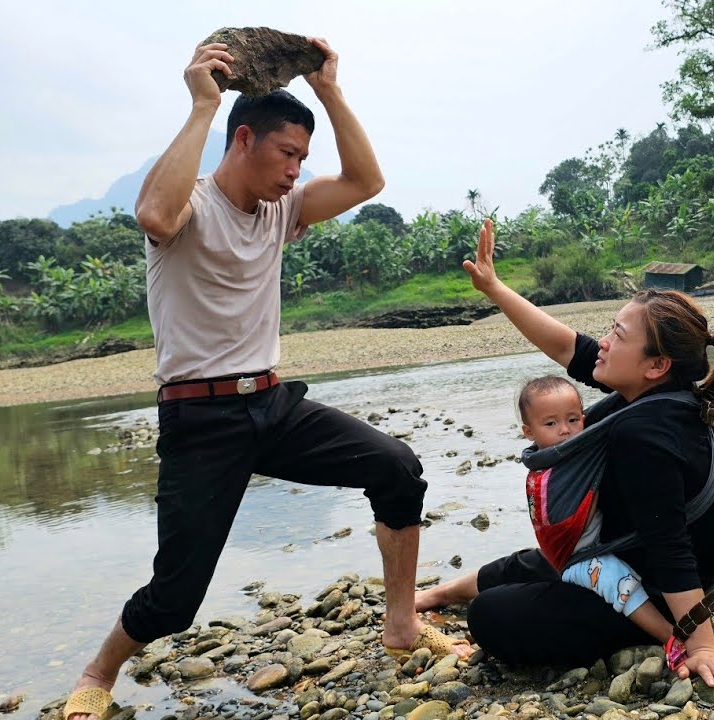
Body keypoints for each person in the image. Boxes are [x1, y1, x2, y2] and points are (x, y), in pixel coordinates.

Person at [62, 37, 466, 720]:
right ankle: (98, 671)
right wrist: (202, 106)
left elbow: (367, 183)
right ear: (243, 139)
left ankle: (401, 625)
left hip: (273, 406)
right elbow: (153, 216)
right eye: (288, 154)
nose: (296, 171)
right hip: (200, 420)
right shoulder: (187, 206)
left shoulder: (284, 212)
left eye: (303, 160)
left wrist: (331, 90)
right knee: (174, 598)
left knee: (397, 469)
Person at [415, 219, 714, 699]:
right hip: (624, 555)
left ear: (656, 364)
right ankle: (439, 594)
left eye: (617, 334)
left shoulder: (645, 431)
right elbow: (570, 348)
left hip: (653, 591)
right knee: (536, 561)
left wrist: (701, 645)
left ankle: (664, 630)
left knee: (491, 617)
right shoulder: (659, 393)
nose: (605, 342)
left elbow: (670, 545)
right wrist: (494, 288)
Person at [517, 375, 674, 643]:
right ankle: (670, 636)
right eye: (551, 423)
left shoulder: (563, 456)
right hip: (578, 560)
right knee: (617, 580)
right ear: (529, 432)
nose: (565, 430)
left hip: (577, 553)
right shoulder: (554, 467)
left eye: (573, 419)